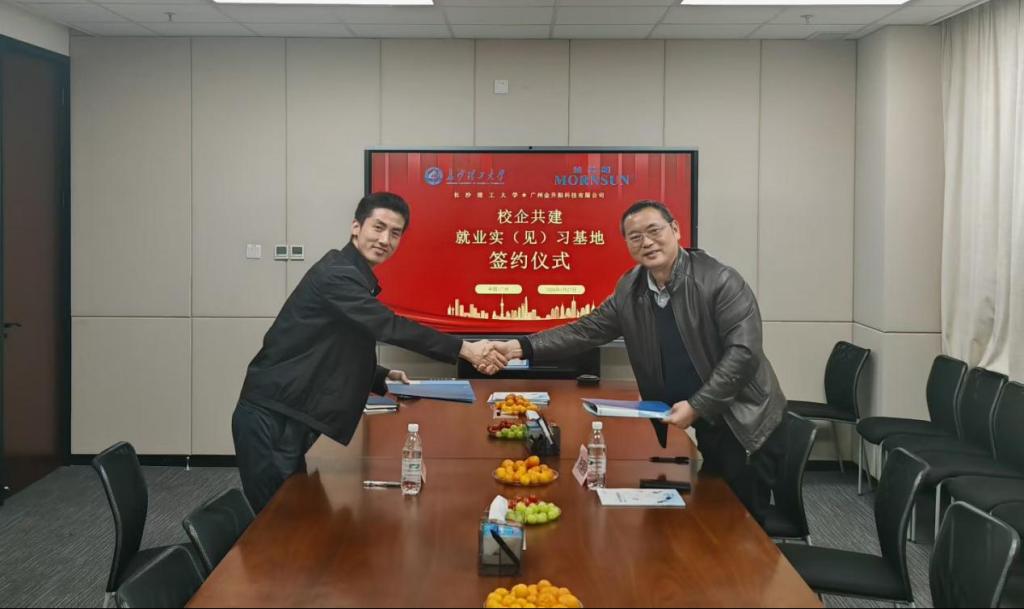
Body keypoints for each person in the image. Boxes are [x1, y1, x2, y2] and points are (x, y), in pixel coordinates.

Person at [495, 200, 787, 525]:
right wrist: (520, 347)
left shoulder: (719, 281)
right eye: (635, 237)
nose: (646, 242)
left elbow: (743, 354)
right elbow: (586, 330)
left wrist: (698, 405)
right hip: (708, 421)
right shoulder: (631, 289)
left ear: (675, 229)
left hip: (746, 423)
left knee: (743, 527)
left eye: (654, 231)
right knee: (715, 517)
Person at [233, 192, 506, 512]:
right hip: (272, 416)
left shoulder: (352, 273)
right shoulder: (337, 274)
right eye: (378, 227)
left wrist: (381, 376)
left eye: (395, 233)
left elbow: (333, 344)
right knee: (278, 521)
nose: (385, 240)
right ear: (356, 227)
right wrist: (464, 349)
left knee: (295, 514)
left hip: (288, 413)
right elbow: (388, 326)